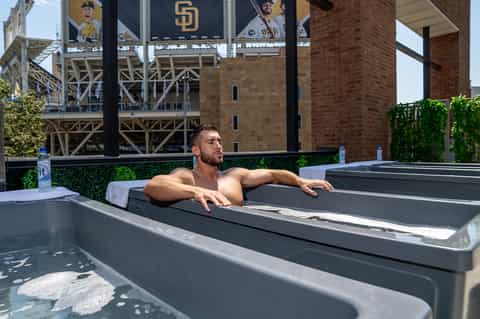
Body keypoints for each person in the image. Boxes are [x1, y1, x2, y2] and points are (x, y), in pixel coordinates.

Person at [144, 125, 333, 211]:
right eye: (211, 142)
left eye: (219, 141)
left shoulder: (233, 176)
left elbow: (273, 174)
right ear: (196, 150)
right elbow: (153, 186)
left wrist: (300, 181)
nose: (218, 146)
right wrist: (195, 191)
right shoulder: (187, 177)